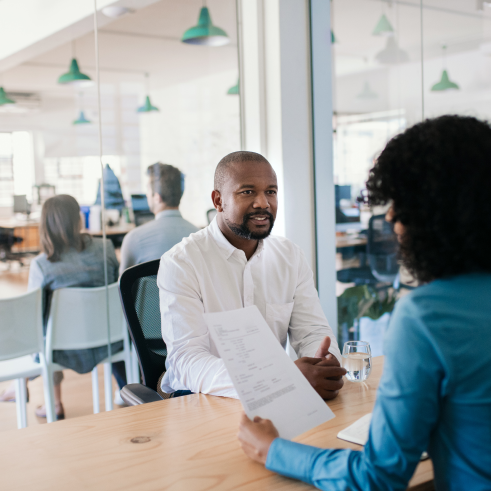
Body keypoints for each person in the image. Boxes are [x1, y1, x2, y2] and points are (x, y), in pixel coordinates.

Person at [237, 115, 491, 490]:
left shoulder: (429, 316)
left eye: (401, 202)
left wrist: (273, 450)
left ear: (436, 212)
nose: (390, 216)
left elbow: (379, 476)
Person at [158, 151, 345, 399]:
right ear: (218, 200)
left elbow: (312, 331)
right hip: (205, 399)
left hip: (279, 400)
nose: (263, 203)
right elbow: (187, 361)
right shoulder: (182, 263)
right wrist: (278, 378)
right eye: (247, 192)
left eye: (271, 191)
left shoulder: (290, 256)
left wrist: (325, 363)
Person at [0, 195, 126, 419]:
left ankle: (53, 403)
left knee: (47, 325)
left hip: (63, 349)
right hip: (108, 339)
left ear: (45, 225)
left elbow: (33, 317)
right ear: (78, 219)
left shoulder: (43, 264)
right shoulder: (104, 248)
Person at [119, 163, 198, 275]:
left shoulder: (134, 239)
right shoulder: (200, 236)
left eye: (148, 189)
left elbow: (122, 286)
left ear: (157, 197)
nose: (146, 195)